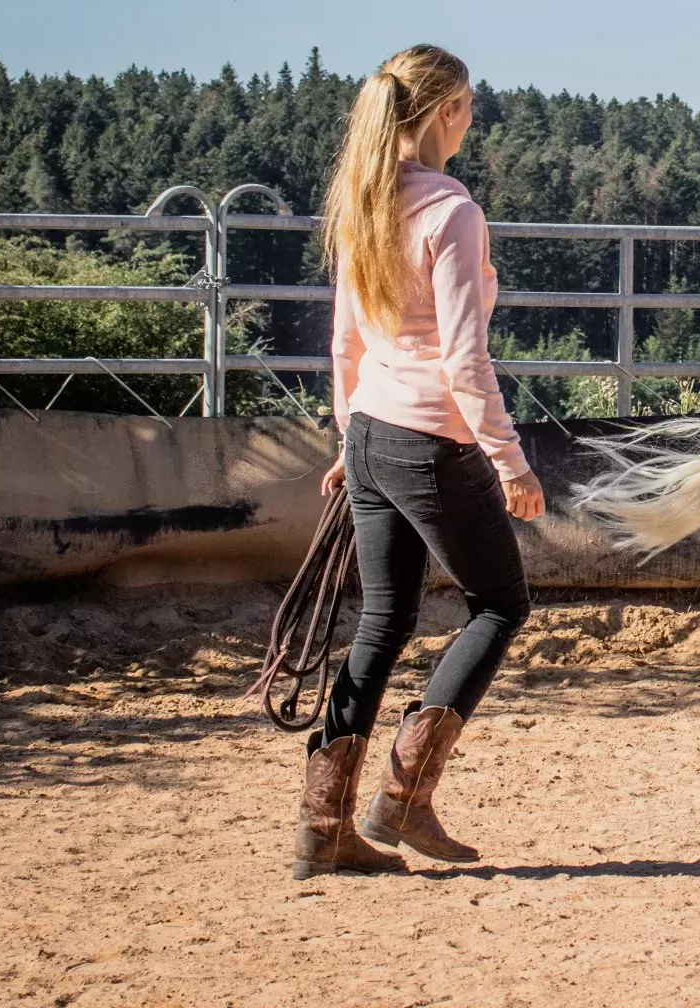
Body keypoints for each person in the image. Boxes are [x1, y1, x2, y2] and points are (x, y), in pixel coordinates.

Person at [292, 44, 545, 879]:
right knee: (500, 605)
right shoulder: (452, 212)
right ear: (445, 112)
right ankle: (402, 801)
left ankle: (324, 826)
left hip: (371, 435)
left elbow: (346, 341)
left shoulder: (363, 199)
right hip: (433, 438)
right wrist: (509, 463)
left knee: (382, 622)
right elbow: (466, 363)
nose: (472, 120)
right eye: (469, 105)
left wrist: (346, 439)